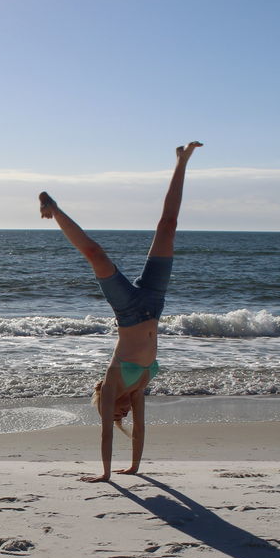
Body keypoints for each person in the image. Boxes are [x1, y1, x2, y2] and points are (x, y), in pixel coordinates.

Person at [40, 142, 201, 482]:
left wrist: (105, 474)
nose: (124, 412)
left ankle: (53, 208)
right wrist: (137, 468)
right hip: (155, 303)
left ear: (106, 404)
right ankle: (184, 161)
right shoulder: (140, 385)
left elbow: (105, 434)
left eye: (118, 412)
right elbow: (140, 429)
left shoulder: (113, 383)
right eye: (123, 412)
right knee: (168, 227)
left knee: (96, 254)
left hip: (128, 310)